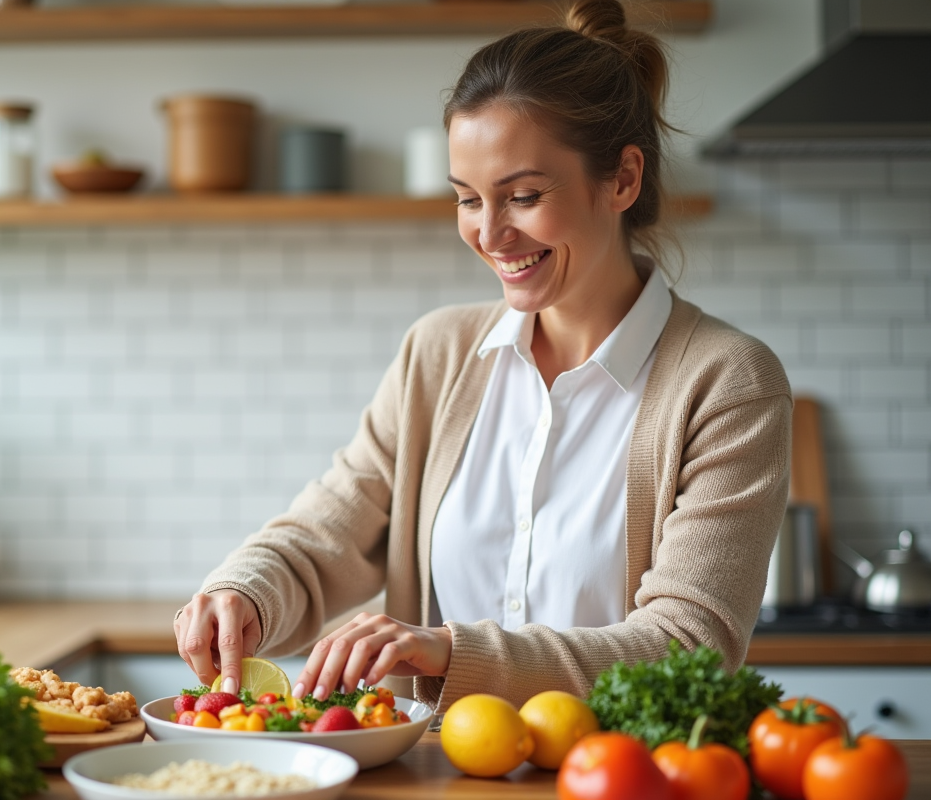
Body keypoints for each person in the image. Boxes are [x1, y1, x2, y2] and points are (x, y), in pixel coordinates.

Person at [173, 0, 791, 712]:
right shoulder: (437, 355)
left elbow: (688, 646)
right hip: (436, 776)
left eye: (523, 196)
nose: (491, 234)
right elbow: (326, 535)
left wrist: (450, 653)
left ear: (622, 179)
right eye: (468, 199)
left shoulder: (726, 382)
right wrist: (242, 591)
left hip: (617, 780)